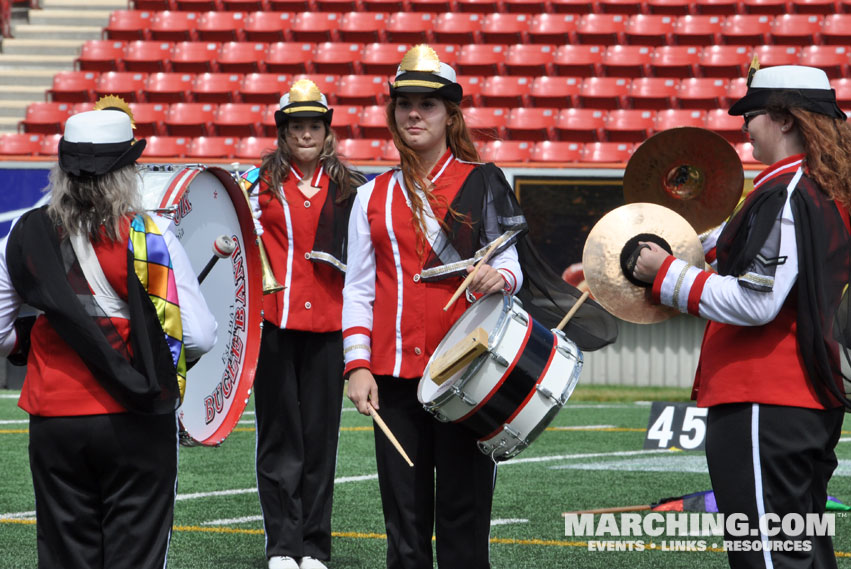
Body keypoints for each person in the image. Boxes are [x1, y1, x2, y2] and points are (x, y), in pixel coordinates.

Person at [342, 45, 616, 569]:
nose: (414, 114)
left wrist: (498, 275)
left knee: (465, 518)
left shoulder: (483, 181)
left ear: (450, 115)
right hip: (394, 374)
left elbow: (512, 269)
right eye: (404, 104)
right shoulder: (369, 195)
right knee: (404, 521)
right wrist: (356, 364)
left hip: (469, 374)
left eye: (428, 104)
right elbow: (358, 289)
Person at [632, 64, 851, 568]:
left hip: (766, 401)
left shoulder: (790, 194)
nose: (744, 126)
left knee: (768, 556)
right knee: (803, 551)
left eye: (751, 114)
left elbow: (757, 302)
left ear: (784, 119)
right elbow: (746, 257)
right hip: (797, 400)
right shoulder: (813, 189)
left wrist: (663, 273)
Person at [0, 109, 217, 568]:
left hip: (54, 420)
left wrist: (31, 339)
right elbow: (197, 336)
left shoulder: (22, 235)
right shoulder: (150, 234)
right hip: (137, 419)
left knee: (64, 555)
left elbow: (0, 335)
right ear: (125, 173)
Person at [248, 79, 365, 569]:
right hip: (273, 325)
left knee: (320, 439)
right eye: (297, 125)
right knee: (279, 439)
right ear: (284, 131)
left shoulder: (352, 188)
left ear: (326, 131)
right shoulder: (258, 184)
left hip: (330, 330)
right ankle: (282, 545)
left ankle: (314, 546)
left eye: (314, 125)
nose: (305, 133)